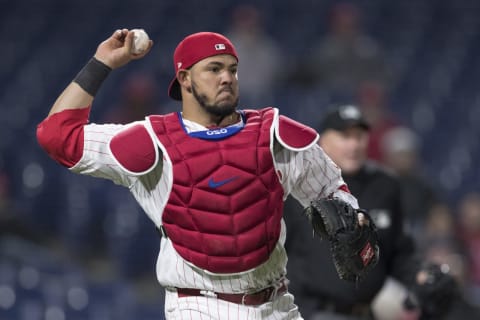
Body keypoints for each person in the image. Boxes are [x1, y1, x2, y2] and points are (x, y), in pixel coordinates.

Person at [36, 29, 378, 320]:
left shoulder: (274, 135)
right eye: (213, 69)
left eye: (232, 69)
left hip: (277, 304)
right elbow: (56, 136)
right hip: (199, 306)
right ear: (184, 78)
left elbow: (332, 189)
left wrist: (350, 217)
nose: (226, 77)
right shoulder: (152, 142)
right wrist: (102, 63)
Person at [284, 105, 456, 320]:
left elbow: (398, 252)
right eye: (345, 136)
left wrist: (419, 275)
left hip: (366, 313)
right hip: (312, 312)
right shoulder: (297, 187)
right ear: (323, 142)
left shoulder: (384, 185)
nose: (354, 144)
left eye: (360, 136)